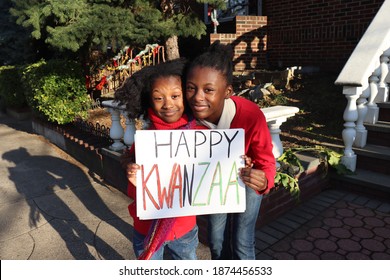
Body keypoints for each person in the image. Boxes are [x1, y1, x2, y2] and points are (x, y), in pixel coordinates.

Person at [185, 40, 276, 260]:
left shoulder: (250, 114)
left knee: (242, 242)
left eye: (208, 90)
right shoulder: (186, 120)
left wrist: (264, 181)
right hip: (218, 183)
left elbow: (266, 159)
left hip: (248, 178)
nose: (197, 97)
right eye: (190, 88)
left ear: (227, 91)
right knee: (216, 241)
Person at [114, 58, 205, 260]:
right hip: (147, 228)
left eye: (175, 96)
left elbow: (213, 173)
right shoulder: (146, 141)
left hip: (184, 229)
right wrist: (131, 172)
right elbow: (136, 190)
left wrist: (238, 166)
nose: (168, 104)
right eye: (158, 98)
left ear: (187, 96)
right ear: (148, 101)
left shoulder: (202, 136)